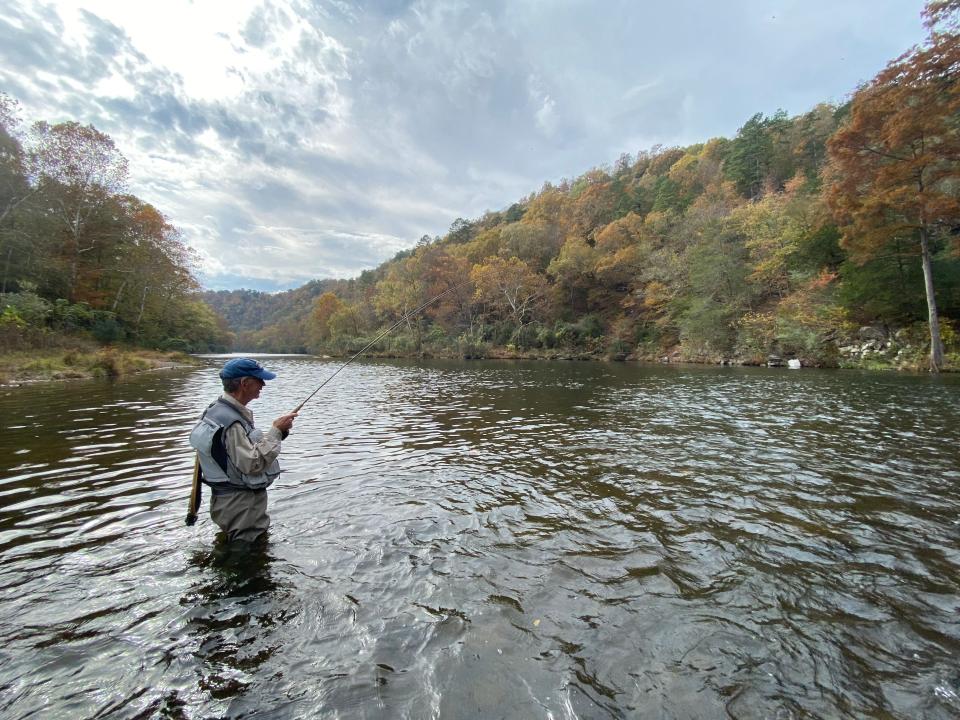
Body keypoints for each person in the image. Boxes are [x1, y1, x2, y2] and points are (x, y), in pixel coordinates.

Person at [189, 358, 297, 543]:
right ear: (244, 383)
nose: (263, 384)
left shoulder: (215, 411)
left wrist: (279, 433)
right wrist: (275, 432)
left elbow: (235, 454)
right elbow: (251, 463)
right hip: (241, 506)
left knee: (235, 549)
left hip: (228, 502)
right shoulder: (231, 422)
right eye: (259, 380)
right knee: (247, 556)